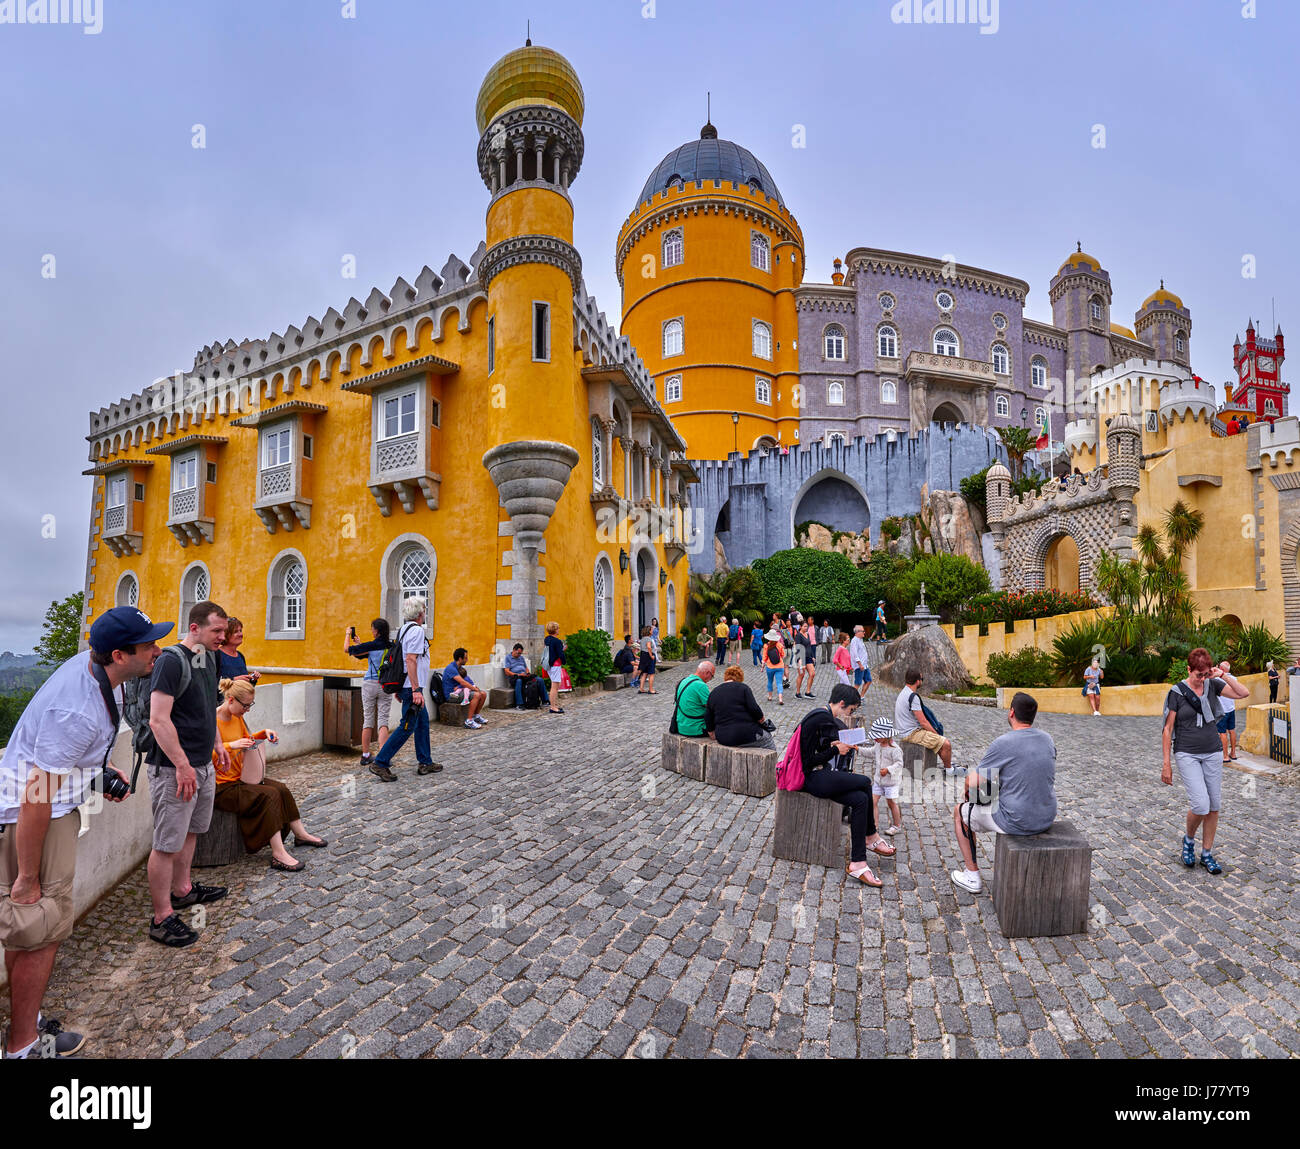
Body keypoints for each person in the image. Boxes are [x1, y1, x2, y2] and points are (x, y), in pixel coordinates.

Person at [1, 606, 168, 1059]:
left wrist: (97, 770)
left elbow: (63, 757)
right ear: (118, 654)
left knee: (26, 930)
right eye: (147, 644)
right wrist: (28, 876)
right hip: (37, 818)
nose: (157, 649)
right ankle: (22, 1047)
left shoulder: (94, 669)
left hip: (42, 810)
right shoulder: (75, 708)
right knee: (39, 928)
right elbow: (37, 793)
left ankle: (25, 1021)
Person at [146, 600, 232, 948]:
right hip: (173, 768)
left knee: (193, 830)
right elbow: (158, 719)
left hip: (202, 763)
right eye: (217, 631)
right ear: (194, 628)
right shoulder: (170, 660)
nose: (222, 637)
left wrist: (219, 745)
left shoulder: (210, 658)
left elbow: (208, 707)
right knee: (167, 843)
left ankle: (182, 890)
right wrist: (182, 765)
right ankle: (161, 916)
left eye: (224, 631)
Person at [213, 678, 326, 872]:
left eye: (250, 705)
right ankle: (278, 854)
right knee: (269, 795)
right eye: (245, 705)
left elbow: (246, 741)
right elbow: (205, 753)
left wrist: (263, 734)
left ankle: (300, 834)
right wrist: (231, 746)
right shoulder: (211, 720)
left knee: (280, 788)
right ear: (231, 700)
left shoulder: (236, 717)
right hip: (220, 786)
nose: (247, 710)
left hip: (240, 778)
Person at [950, 692, 1057, 894]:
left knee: (959, 812)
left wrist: (967, 794)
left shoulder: (1004, 742)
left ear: (1011, 713)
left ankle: (972, 876)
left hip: (1018, 819)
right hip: (1046, 816)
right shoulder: (1047, 739)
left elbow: (972, 781)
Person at [1161, 649, 1249, 875]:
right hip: (1187, 752)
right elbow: (1168, 729)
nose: (1201, 679)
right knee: (1200, 804)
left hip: (1212, 751)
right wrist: (1166, 763)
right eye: (1198, 674)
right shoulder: (1177, 692)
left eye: (1204, 674)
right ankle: (1188, 840)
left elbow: (1243, 693)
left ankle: (1207, 853)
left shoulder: (1213, 683)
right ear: (1189, 669)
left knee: (1214, 805)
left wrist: (1221, 675)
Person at [799, 684, 897, 887]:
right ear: (842, 704)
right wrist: (837, 750)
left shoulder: (821, 715)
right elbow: (807, 760)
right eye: (850, 710)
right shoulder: (823, 717)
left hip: (818, 774)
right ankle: (871, 837)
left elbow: (814, 747)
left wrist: (832, 745)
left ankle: (858, 862)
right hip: (810, 777)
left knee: (861, 799)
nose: (849, 713)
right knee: (865, 782)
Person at [370, 597, 442, 782]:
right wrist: (416, 690)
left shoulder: (403, 629)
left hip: (407, 685)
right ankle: (381, 762)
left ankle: (425, 761)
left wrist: (400, 687)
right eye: (424, 610)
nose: (425, 613)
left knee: (423, 723)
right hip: (412, 688)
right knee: (407, 726)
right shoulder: (417, 631)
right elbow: (410, 659)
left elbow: (400, 660)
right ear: (419, 613)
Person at [345, 618, 393, 768]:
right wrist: (359, 643)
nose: (371, 631)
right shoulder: (392, 645)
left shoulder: (372, 645)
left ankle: (365, 755)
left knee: (368, 720)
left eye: (372, 629)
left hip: (370, 684)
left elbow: (347, 649)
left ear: (377, 631)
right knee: (383, 720)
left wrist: (348, 635)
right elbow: (366, 654)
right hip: (386, 684)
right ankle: (383, 756)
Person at [894, 669, 954, 773]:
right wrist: (938, 735)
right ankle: (949, 770)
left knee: (937, 741)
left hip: (905, 730)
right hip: (911, 733)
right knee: (946, 744)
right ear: (918, 681)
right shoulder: (913, 697)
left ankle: (947, 765)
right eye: (922, 679)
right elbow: (923, 722)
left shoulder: (903, 692)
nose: (922, 681)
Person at [705, 665, 775, 749]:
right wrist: (762, 720)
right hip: (746, 734)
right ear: (740, 678)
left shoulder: (714, 692)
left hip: (723, 737)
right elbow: (754, 709)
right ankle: (776, 762)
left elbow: (708, 716)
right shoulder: (743, 688)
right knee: (768, 739)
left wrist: (712, 734)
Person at [504, 642, 562, 715]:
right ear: (514, 650)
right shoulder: (508, 658)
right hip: (515, 677)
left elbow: (526, 668)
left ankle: (545, 700)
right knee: (519, 681)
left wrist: (527, 673)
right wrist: (518, 674)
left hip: (524, 676)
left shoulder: (521, 658)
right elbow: (506, 671)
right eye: (518, 653)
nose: (519, 655)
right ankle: (519, 704)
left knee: (539, 679)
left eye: (520, 653)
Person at [870, 717, 903, 836]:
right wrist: (858, 749)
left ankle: (897, 825)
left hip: (891, 782)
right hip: (879, 781)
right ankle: (874, 825)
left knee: (891, 803)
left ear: (886, 735)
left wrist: (888, 770)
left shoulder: (895, 749)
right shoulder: (878, 745)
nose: (875, 738)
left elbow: (899, 764)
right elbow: (871, 752)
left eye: (877, 736)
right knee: (873, 801)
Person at [443, 648, 488, 729]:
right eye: (466, 658)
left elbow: (467, 681)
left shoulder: (459, 668)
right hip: (452, 695)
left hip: (460, 691)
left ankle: (475, 716)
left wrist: (475, 687)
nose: (467, 660)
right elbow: (463, 682)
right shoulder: (451, 668)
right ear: (460, 658)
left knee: (483, 694)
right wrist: (475, 690)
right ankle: (469, 721)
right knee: (477, 695)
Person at [672, 661, 715, 736]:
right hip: (696, 728)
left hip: (681, 726)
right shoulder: (701, 685)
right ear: (707, 673)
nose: (710, 679)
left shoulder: (684, 680)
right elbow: (711, 707)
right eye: (712, 676)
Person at [216, 616, 259, 686]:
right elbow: (211, 682)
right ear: (226, 635)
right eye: (235, 632)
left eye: (240, 631)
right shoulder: (217, 655)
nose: (240, 634)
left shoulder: (240, 656)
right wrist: (234, 680)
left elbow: (243, 687)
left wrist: (252, 679)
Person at [1216, 659, 1240, 764]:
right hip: (1231, 708)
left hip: (1222, 710)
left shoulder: (1218, 680)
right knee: (1232, 730)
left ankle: (1225, 756)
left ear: (1221, 669)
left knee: (1222, 733)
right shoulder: (1234, 678)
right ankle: (1233, 753)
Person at [761, 630, 786, 705]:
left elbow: (764, 657)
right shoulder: (780, 645)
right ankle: (780, 698)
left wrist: (762, 667)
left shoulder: (766, 646)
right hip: (780, 666)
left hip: (770, 667)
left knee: (770, 681)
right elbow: (783, 655)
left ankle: (770, 696)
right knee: (779, 683)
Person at [796, 620, 818, 699]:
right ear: (800, 627)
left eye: (807, 626)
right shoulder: (798, 635)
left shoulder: (807, 634)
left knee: (812, 674)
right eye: (804, 626)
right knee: (801, 675)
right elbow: (798, 648)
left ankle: (807, 692)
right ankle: (797, 692)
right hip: (801, 657)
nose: (806, 628)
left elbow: (809, 646)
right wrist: (799, 660)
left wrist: (812, 656)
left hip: (808, 656)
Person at [544, 622, 567, 694]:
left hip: (549, 664)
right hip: (555, 664)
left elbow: (552, 650)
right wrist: (564, 661)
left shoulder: (547, 639)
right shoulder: (557, 641)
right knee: (555, 686)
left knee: (555, 685)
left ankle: (554, 703)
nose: (559, 630)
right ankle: (553, 705)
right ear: (555, 630)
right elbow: (560, 654)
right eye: (558, 628)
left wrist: (561, 649)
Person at [637, 625, 658, 694]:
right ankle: (651, 689)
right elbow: (649, 647)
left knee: (644, 673)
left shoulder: (642, 639)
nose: (652, 631)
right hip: (648, 656)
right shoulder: (648, 639)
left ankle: (641, 688)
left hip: (643, 656)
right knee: (651, 673)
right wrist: (651, 655)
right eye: (651, 630)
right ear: (649, 631)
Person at [849, 625, 871, 690]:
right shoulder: (854, 641)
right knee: (857, 684)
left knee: (869, 680)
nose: (864, 632)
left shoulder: (860, 639)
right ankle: (851, 698)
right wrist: (860, 664)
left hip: (865, 665)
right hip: (859, 667)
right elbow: (855, 655)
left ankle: (861, 697)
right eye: (863, 631)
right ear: (858, 632)